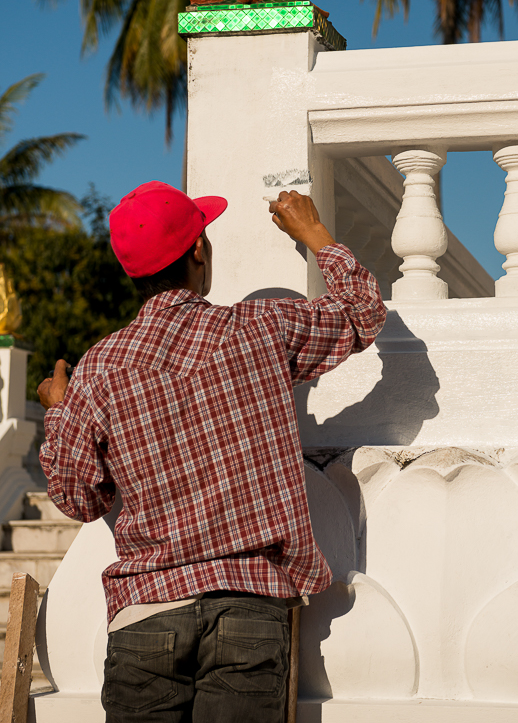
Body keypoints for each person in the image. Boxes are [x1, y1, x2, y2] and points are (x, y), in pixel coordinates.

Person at [37, 180, 386, 723]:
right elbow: (363, 311)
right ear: (198, 250)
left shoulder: (99, 369)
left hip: (146, 612)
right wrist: (313, 232)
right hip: (249, 605)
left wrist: (59, 410)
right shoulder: (259, 331)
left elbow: (78, 497)